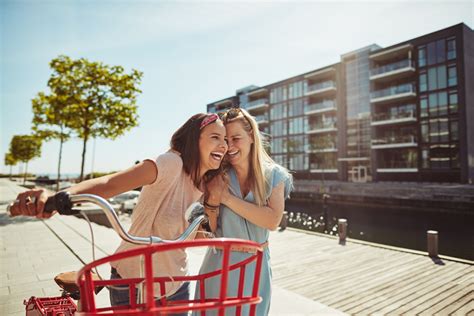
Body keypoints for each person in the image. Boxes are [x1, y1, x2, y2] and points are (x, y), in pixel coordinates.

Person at [9, 113, 228, 312]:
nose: (223, 145)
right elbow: (110, 183)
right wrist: (57, 198)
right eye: (215, 137)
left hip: (177, 284)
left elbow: (190, 233)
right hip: (133, 281)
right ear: (194, 139)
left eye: (226, 140)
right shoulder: (171, 163)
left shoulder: (206, 185)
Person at [195, 108, 293, 315]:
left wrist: (227, 198)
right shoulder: (214, 176)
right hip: (218, 268)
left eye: (235, 138)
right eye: (224, 139)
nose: (229, 146)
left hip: (256, 270)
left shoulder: (275, 175)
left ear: (251, 136)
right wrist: (212, 201)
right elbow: (207, 232)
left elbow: (272, 220)